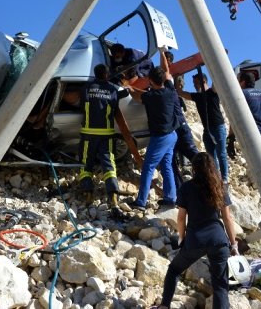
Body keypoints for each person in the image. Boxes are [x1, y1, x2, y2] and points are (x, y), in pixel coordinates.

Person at [155, 152, 239, 309]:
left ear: (194, 168)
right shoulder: (220, 186)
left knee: (173, 270)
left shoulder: (186, 188)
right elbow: (228, 218)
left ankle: (164, 305)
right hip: (219, 240)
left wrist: (181, 238)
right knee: (221, 285)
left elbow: (181, 218)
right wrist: (234, 244)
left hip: (196, 239)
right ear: (212, 168)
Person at [78, 64, 129, 216]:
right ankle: (113, 196)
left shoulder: (86, 87)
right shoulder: (113, 89)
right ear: (107, 74)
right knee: (109, 164)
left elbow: (78, 101)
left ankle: (88, 194)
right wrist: (127, 89)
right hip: (106, 134)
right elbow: (121, 95)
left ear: (95, 73)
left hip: (88, 134)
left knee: (86, 164)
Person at [127, 64, 179, 210]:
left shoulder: (151, 97)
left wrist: (130, 89)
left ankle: (141, 201)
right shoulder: (170, 90)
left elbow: (137, 97)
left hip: (161, 137)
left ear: (150, 80)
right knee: (166, 166)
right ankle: (170, 198)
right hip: (172, 135)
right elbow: (168, 74)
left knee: (148, 167)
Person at [233, 71, 261, 224]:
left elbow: (236, 116)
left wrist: (230, 137)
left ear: (243, 82)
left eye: (238, 80)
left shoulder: (243, 94)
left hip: (257, 135)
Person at [176, 73, 230, 183]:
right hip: (208, 129)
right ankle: (215, 177)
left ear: (203, 81)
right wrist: (176, 78)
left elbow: (217, 78)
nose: (194, 85)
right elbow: (180, 93)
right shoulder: (197, 96)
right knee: (211, 156)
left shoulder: (213, 92)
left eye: (196, 83)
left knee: (221, 154)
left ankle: (224, 179)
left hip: (218, 127)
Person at [162, 50, 199, 188]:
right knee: (171, 159)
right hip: (173, 125)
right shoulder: (168, 83)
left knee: (187, 154)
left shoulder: (171, 79)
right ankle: (179, 190)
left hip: (176, 124)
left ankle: (205, 178)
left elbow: (170, 77)